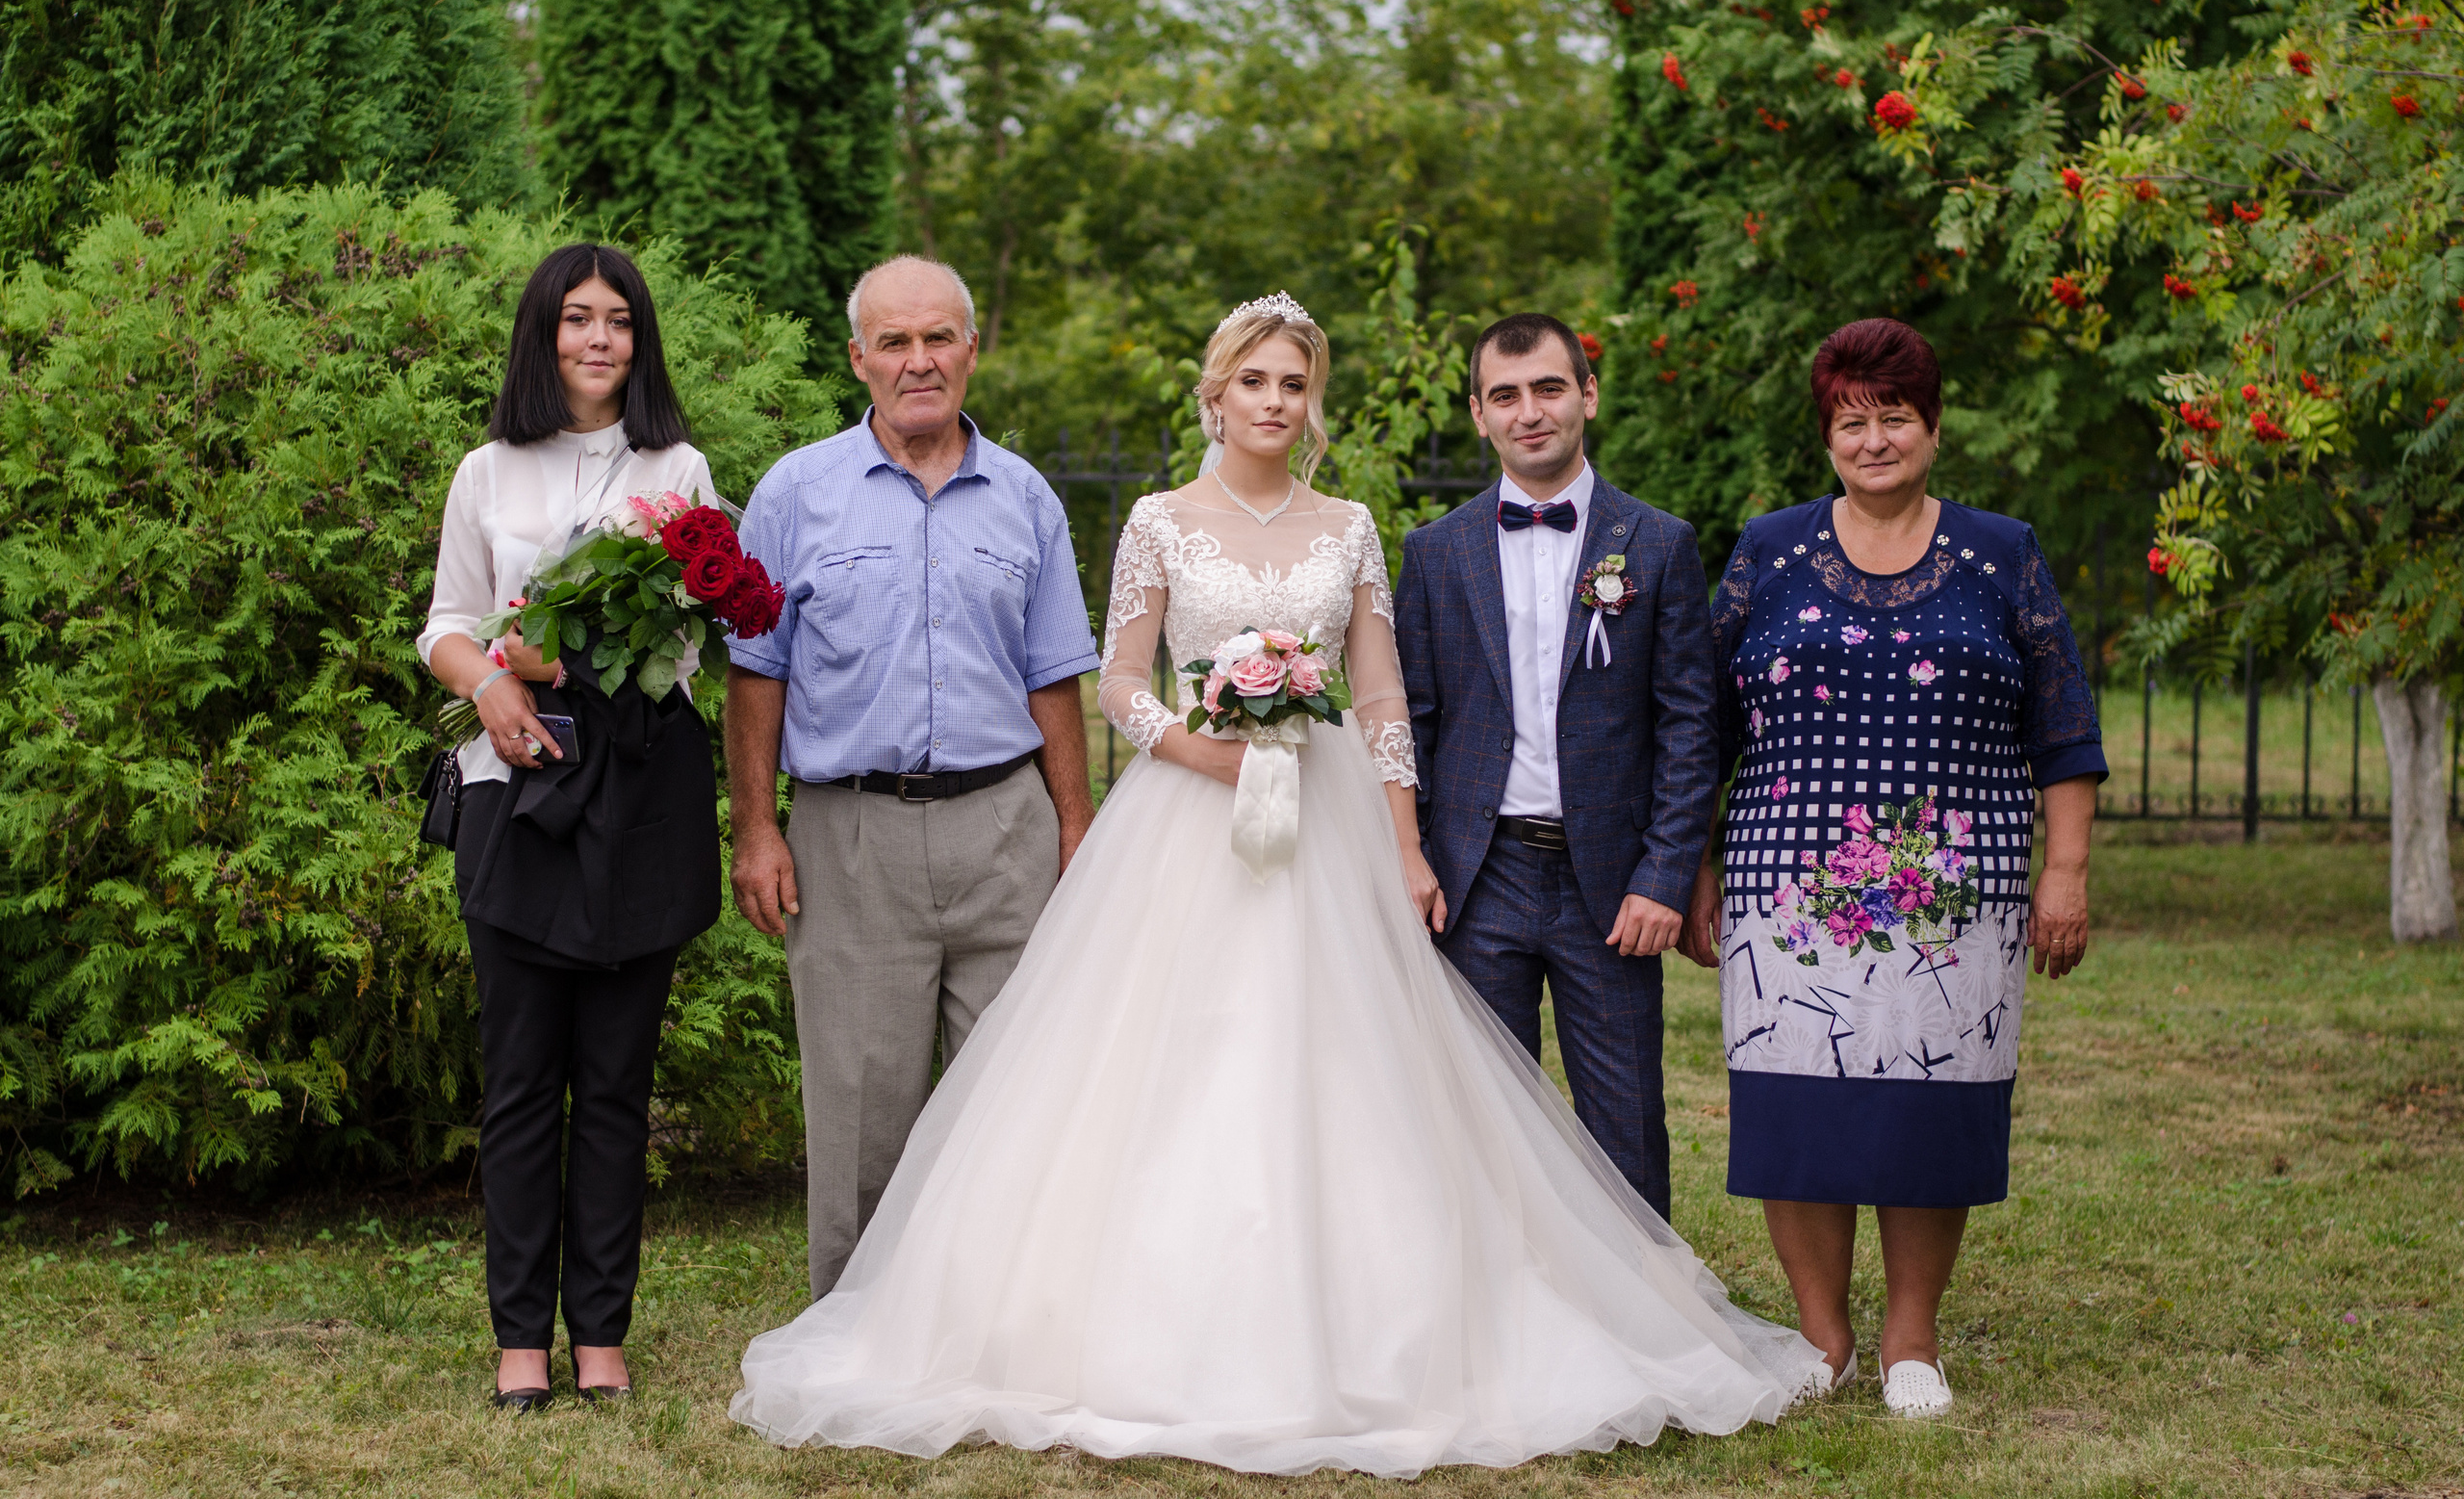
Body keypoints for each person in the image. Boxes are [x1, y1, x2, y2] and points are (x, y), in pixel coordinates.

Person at [727, 294, 1825, 1477]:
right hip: (1188, 827)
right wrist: (1203, 748)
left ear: (1312, 405)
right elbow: (1120, 681)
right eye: (1253, 381)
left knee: (1343, 1061)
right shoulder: (1155, 520)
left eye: (1293, 385)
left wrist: (1403, 844)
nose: (1272, 402)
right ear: (1216, 394)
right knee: (1171, 1059)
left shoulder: (1350, 526)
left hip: (1328, 826)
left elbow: (1385, 700)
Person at [1677, 316, 2105, 1418]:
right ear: (1826, 433)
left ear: (1932, 426)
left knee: (1932, 1103)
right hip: (1787, 886)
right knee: (1794, 1105)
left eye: (1893, 417)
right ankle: (1822, 1338)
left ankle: (1910, 1339)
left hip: (1956, 894)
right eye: (1850, 420)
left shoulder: (2000, 550)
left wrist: (2066, 871)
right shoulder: (1766, 548)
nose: (1872, 440)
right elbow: (1701, 726)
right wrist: (1695, 862)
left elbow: (2063, 726)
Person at [724, 255, 1100, 1303]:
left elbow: (1055, 675)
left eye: (939, 338)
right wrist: (757, 829)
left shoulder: (1026, 497)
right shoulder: (795, 493)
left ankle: (1010, 1325)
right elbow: (754, 674)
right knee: (857, 1109)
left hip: (1005, 833)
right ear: (859, 359)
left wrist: (1076, 831)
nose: (919, 360)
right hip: (850, 839)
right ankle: (853, 1329)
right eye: (894, 341)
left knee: (1020, 1097)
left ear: (973, 351)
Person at [419, 243, 724, 1409]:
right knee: (519, 1079)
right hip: (517, 789)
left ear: (639, 343)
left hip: (640, 792)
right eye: (576, 319)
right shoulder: (486, 470)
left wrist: (569, 652)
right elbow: (447, 618)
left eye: (619, 322)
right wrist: (493, 684)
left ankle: (600, 1333)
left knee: (613, 1081)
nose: (599, 339)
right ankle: (518, 1341)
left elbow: (689, 639)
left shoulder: (681, 465)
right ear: (542, 334)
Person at [1393, 312, 1717, 1226]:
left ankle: (1647, 1321)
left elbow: (1689, 727)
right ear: (1478, 414)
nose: (1529, 412)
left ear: (1588, 394)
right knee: (1479, 1122)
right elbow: (1410, 720)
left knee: (1626, 1126)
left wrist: (1663, 876)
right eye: (1505, 395)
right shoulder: (1435, 551)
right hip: (1475, 876)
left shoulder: (1657, 545)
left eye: (1547, 388)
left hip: (1609, 886)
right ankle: (1499, 1322)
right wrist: (1411, 854)